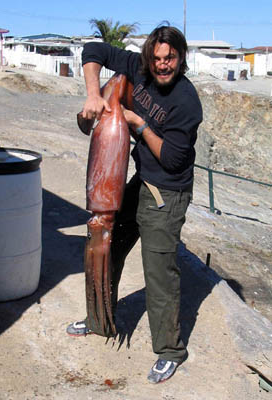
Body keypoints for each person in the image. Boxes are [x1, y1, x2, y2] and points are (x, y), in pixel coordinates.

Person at [67, 25, 203, 384]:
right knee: (106, 247)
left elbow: (173, 160)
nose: (162, 65)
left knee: (158, 275)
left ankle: (170, 352)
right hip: (140, 183)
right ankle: (99, 322)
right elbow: (93, 49)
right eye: (157, 58)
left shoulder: (186, 101)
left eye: (169, 58)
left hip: (167, 194)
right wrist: (94, 95)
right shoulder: (139, 68)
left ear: (181, 58)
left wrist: (138, 123)